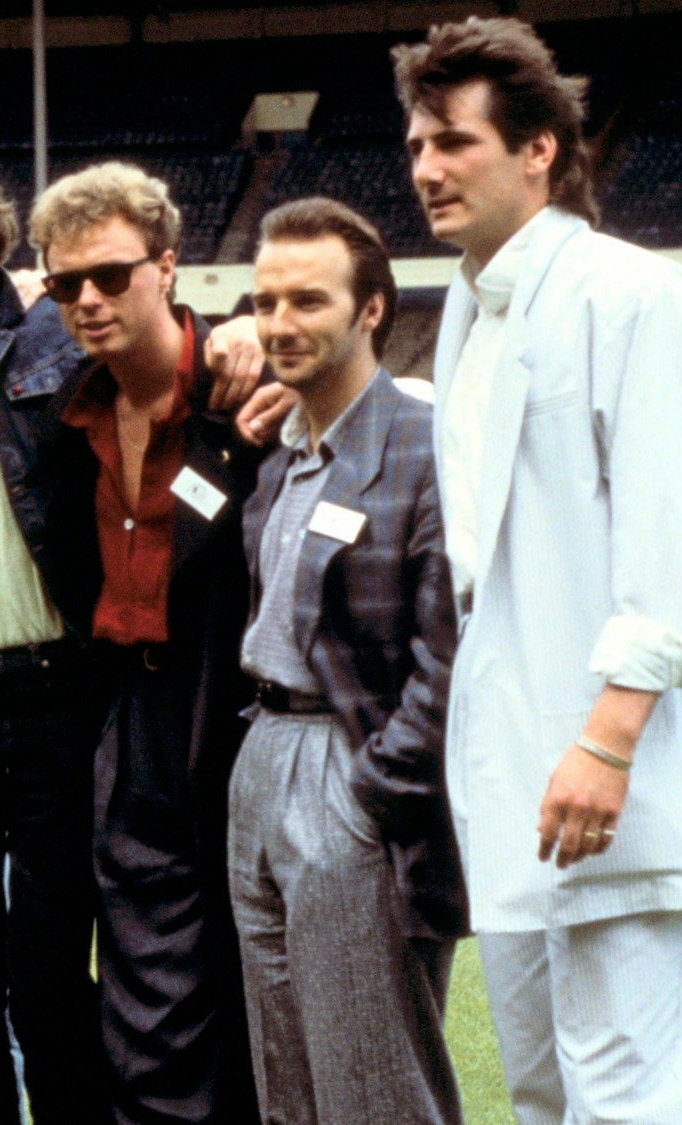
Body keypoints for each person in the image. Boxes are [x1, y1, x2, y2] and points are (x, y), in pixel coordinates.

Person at [0, 111, 271, 1123]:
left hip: (56, 700)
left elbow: (160, 345)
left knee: (49, 982)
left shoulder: (51, 346)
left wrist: (239, 326)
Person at [396, 18, 682, 1123]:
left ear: (539, 151)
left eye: (454, 142)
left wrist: (607, 741)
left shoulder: (635, 296)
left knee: (629, 1104)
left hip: (621, 779)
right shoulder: (469, 305)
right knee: (541, 1094)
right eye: (416, 145)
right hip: (514, 786)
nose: (425, 168)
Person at [28, 162, 262, 1124]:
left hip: (235, 715)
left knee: (257, 984)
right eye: (65, 283)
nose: (88, 299)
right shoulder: (67, 415)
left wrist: (254, 325)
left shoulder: (246, 391)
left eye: (112, 275)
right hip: (124, 718)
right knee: (147, 988)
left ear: (167, 266)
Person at [229, 197, 465, 1124]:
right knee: (286, 1085)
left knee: (373, 1084)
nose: (280, 323)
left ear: (371, 309)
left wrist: (370, 796)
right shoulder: (283, 452)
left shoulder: (421, 443)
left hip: (349, 767)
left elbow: (451, 653)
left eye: (308, 301)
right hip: (264, 757)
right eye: (265, 301)